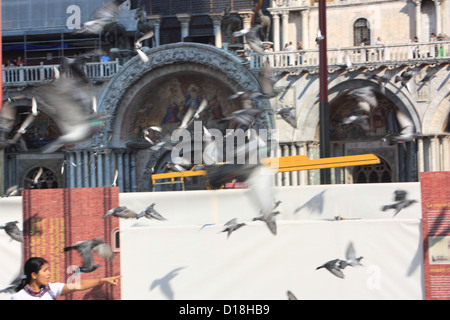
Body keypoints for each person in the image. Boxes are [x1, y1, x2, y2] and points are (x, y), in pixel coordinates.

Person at [10, 257, 122, 300]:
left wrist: (103, 280)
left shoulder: (51, 289)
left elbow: (79, 285)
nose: (49, 273)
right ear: (34, 275)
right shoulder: (18, 297)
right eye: (45, 270)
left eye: (49, 269)